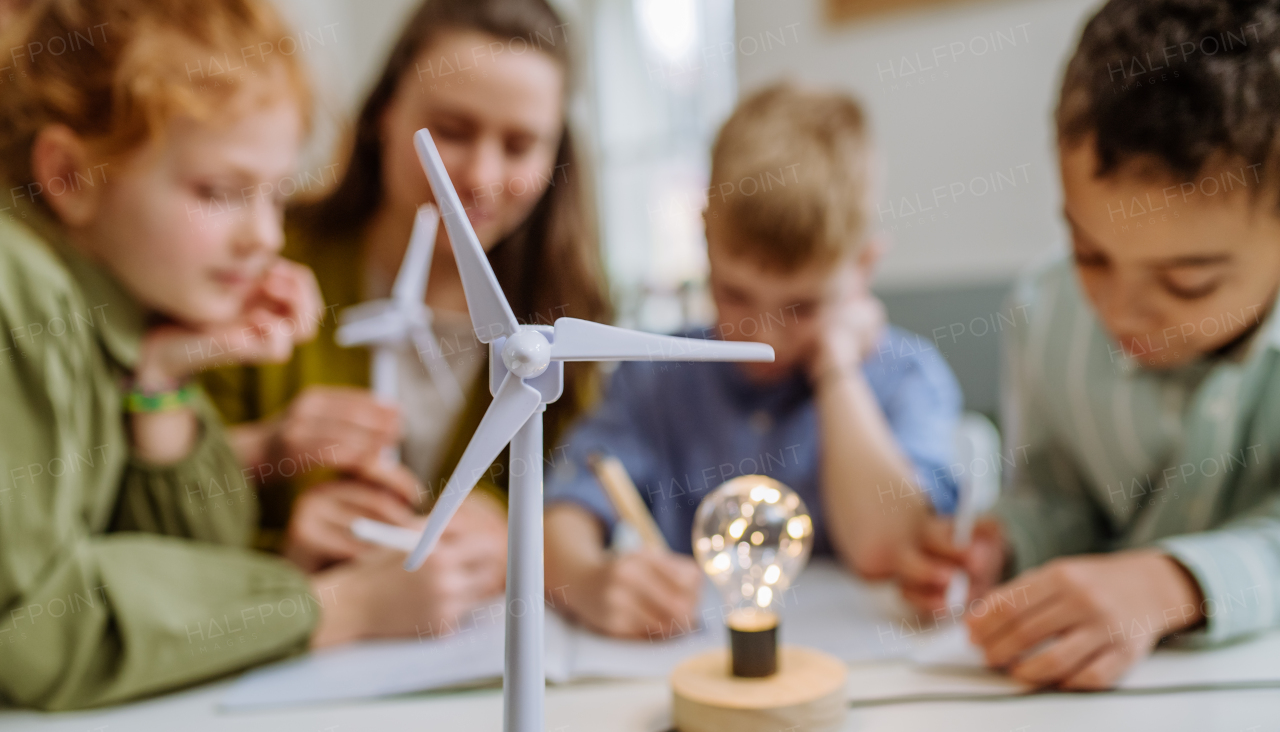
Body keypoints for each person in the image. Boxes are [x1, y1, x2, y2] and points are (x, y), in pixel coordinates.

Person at [0, 0, 497, 711]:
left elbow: (185, 557)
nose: (264, 236)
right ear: (70, 177)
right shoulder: (21, 292)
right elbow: (32, 631)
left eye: (274, 194)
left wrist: (161, 379)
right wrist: (334, 607)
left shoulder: (123, 312)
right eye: (221, 192)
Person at [889, 0, 1280, 690]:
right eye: (1088, 252)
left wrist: (1172, 583)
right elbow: (1061, 495)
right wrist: (1005, 541)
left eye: (1188, 282)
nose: (1119, 312)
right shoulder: (1045, 311)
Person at [201, 0, 607, 579]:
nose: (479, 179)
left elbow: (591, 483)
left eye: (519, 146)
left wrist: (520, 536)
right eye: (451, 132)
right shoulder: (254, 266)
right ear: (385, 113)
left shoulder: (567, 313)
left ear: (555, 156)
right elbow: (153, 488)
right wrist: (277, 553)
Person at [543, 84, 963, 639]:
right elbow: (559, 515)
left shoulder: (905, 377)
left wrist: (835, 367)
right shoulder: (655, 376)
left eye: (802, 307)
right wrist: (591, 580)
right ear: (705, 238)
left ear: (863, 267)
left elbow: (886, 550)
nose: (762, 335)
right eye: (735, 294)